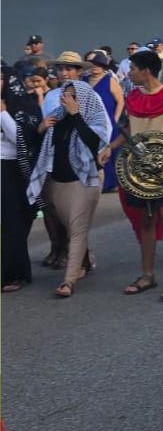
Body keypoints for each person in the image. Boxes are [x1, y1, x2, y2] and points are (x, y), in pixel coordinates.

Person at [101, 51, 163, 302]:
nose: (129, 72)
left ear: (147, 70)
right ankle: (147, 275)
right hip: (138, 170)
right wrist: (111, 147)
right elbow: (129, 132)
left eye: (133, 68)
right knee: (146, 222)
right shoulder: (132, 97)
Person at [25, 79, 110, 299]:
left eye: (72, 95)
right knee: (71, 229)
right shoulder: (57, 116)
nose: (66, 98)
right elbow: (37, 141)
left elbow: (95, 143)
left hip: (84, 181)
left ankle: (69, 281)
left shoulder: (93, 117)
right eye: (65, 94)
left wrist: (76, 115)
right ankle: (85, 260)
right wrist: (41, 128)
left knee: (77, 228)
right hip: (56, 182)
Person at [1, 71, 42, 292]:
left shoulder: (22, 106)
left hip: (10, 168)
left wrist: (2, 113)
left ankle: (11, 273)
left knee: (11, 223)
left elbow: (22, 141)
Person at [83, 51, 123, 191]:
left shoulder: (109, 80)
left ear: (104, 67)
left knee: (109, 152)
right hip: (89, 123)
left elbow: (120, 101)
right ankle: (94, 182)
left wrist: (115, 119)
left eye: (99, 65)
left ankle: (110, 184)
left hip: (108, 123)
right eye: (93, 64)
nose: (95, 67)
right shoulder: (84, 80)